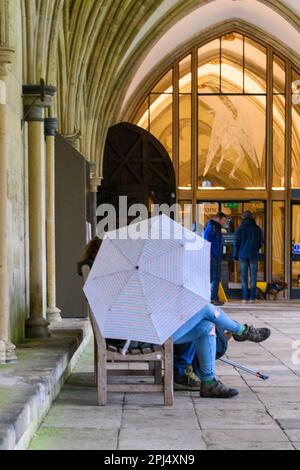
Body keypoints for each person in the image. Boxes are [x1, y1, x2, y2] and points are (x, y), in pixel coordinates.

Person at [172, 303, 270, 398]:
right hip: (160, 336)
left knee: (207, 326)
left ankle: (209, 383)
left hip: (168, 328)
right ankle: (242, 331)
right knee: (204, 308)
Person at [235, 211, 264, 304]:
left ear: (243, 218)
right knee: (253, 277)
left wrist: (236, 254)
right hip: (253, 254)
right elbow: (261, 242)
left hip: (242, 255)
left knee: (243, 277)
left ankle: (244, 298)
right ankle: (252, 298)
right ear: (252, 217)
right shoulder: (257, 229)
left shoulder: (240, 229)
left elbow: (236, 243)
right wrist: (255, 248)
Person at [203, 212, 228, 306]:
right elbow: (207, 241)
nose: (223, 223)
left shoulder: (215, 227)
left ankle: (214, 298)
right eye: (223, 221)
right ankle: (213, 298)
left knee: (216, 277)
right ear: (219, 218)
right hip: (213, 255)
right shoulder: (212, 227)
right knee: (215, 277)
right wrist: (210, 254)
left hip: (215, 255)